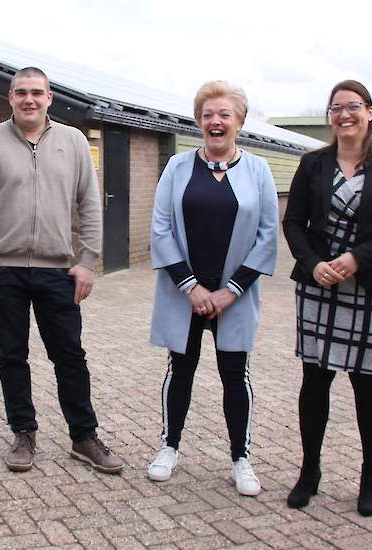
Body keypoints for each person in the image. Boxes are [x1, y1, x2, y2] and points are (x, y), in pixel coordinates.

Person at [0, 67, 123, 475]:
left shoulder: (73, 141)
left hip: (57, 271)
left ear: (50, 98)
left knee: (69, 355)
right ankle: (23, 434)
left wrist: (87, 262)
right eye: (21, 93)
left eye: (37, 93)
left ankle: (83, 437)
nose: (28, 99)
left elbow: (89, 204)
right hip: (2, 270)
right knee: (12, 354)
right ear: (9, 98)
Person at [281, 80, 372, 516]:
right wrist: (313, 262)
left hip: (371, 286)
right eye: (336, 108)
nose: (345, 115)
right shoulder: (313, 164)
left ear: (370, 112)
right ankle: (310, 471)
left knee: (367, 382)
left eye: (353, 107)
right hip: (319, 285)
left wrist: (357, 259)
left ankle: (369, 473)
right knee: (315, 379)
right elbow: (294, 223)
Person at [146, 81, 278, 496]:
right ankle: (169, 446)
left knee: (235, 375)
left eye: (224, 114)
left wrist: (230, 291)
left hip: (232, 297)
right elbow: (161, 228)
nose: (215, 121)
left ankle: (241, 457)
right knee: (179, 369)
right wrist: (191, 287)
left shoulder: (258, 170)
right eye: (207, 115)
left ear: (239, 120)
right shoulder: (177, 167)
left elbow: (268, 235)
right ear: (199, 121)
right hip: (184, 293)